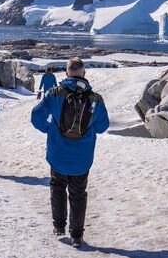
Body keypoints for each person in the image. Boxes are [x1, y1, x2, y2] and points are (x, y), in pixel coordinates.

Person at [31, 57, 109, 248]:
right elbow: (102, 126)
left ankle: (59, 226)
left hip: (57, 154)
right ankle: (76, 235)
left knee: (57, 187)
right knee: (78, 193)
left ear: (66, 73)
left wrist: (49, 129)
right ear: (83, 73)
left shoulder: (55, 93)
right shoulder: (95, 98)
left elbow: (36, 116)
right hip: (82, 157)